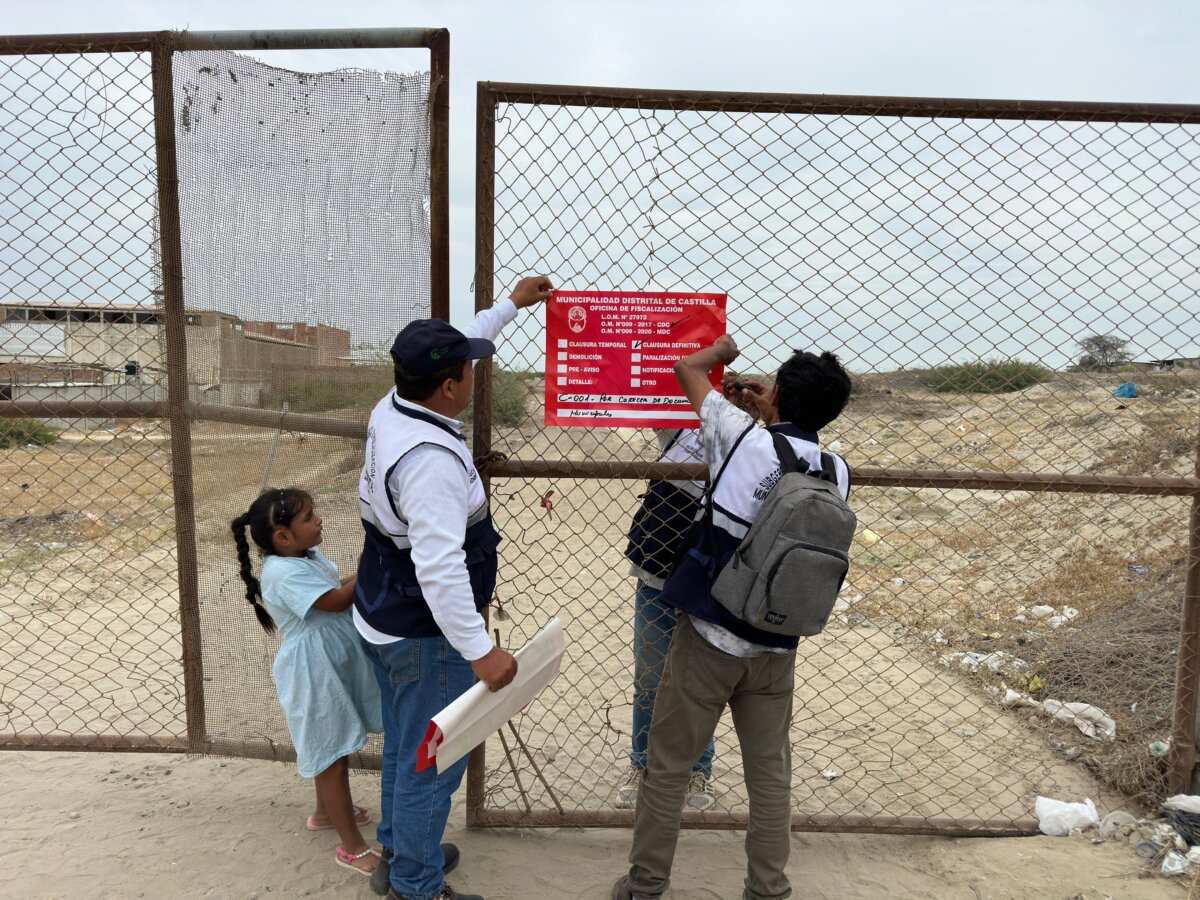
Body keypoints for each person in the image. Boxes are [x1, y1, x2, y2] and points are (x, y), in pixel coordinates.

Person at [613, 338, 853, 900]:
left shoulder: (740, 438)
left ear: (776, 398)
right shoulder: (836, 471)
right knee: (770, 776)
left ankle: (646, 883)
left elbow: (685, 367)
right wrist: (776, 404)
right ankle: (768, 888)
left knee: (668, 765)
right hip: (777, 645)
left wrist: (721, 350)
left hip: (711, 637)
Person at [355, 275, 553, 900]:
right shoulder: (429, 463)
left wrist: (511, 307)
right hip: (424, 632)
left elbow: (465, 340)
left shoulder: (397, 402)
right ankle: (417, 883)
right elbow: (439, 569)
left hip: (382, 612)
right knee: (432, 763)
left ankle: (399, 846)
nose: (475, 372)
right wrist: (479, 651)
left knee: (405, 745)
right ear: (450, 387)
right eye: (469, 371)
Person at [230, 487, 384, 879]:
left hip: (329, 665)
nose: (319, 521)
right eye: (309, 518)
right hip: (313, 673)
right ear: (283, 536)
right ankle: (353, 849)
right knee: (330, 754)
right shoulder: (280, 572)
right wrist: (371, 565)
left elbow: (335, 589)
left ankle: (324, 813)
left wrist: (364, 568)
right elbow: (334, 601)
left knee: (335, 741)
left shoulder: (305, 556)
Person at [617, 372, 755, 811]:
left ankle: (698, 771)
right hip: (660, 570)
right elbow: (662, 382)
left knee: (700, 681)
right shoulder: (679, 426)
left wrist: (750, 405)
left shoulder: (752, 442)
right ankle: (643, 763)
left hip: (712, 580)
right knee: (651, 676)